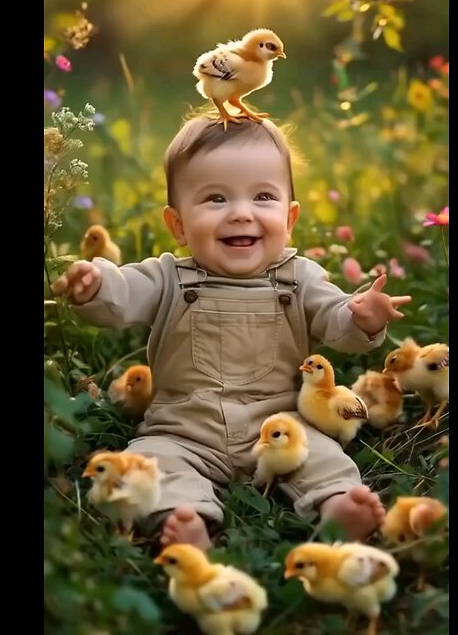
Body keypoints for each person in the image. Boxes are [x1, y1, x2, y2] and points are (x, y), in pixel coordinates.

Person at [56, 117, 411, 550]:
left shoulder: (301, 279)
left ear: (290, 217)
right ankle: (186, 523)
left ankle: (337, 507)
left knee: (323, 459)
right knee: (154, 463)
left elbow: (337, 321)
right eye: (216, 198)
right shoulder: (168, 277)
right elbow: (123, 295)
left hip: (282, 425)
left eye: (263, 196)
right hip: (184, 430)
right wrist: (97, 284)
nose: (241, 212)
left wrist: (363, 317)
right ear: (179, 225)